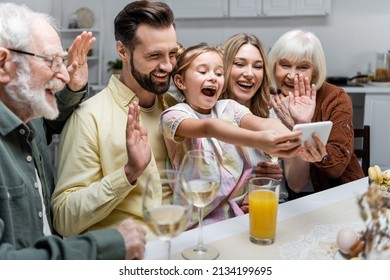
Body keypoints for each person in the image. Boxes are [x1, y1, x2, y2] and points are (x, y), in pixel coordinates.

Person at [0, 2, 146, 259]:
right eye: (52, 62)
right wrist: (106, 245)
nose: (64, 75)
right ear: (3, 65)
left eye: (62, 61)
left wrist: (75, 90)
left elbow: (48, 124)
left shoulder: (24, 114)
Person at [51, 1, 179, 239]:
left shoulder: (178, 111)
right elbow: (63, 218)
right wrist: (129, 172)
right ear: (123, 51)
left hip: (183, 243)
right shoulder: (89, 117)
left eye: (172, 53)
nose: (167, 65)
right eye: (154, 55)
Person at [160, 43, 303, 225]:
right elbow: (209, 128)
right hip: (195, 222)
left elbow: (264, 123)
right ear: (180, 82)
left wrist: (298, 141)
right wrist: (259, 141)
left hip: (236, 219)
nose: (213, 78)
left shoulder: (229, 107)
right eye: (203, 72)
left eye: (219, 74)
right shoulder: (174, 115)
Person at [220, 33, 324, 206]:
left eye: (258, 66)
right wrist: (242, 192)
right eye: (239, 64)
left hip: (274, 208)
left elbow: (296, 184)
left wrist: (302, 124)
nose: (249, 74)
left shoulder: (275, 114)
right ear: (223, 68)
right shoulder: (208, 115)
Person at [267, 29, 365, 197]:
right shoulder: (269, 100)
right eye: (284, 65)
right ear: (273, 66)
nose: (292, 75)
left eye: (303, 67)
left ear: (315, 71)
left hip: (341, 195)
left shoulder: (335, 98)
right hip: (295, 199)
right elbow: (295, 185)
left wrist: (301, 126)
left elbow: (336, 169)